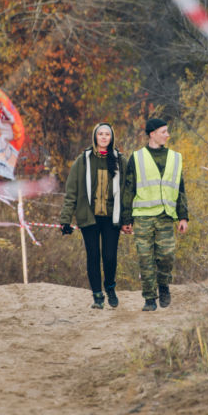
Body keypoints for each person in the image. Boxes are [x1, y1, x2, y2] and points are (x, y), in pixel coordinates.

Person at [121, 118, 188, 311]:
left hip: (166, 216)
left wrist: (183, 217)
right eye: (164, 131)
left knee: (166, 256)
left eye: (167, 131)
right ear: (152, 134)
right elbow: (129, 189)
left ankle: (163, 285)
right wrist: (126, 220)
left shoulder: (175, 158)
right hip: (142, 217)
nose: (167, 135)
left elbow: (180, 190)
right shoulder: (137, 157)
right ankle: (149, 299)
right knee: (145, 258)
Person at [60, 123, 127, 309]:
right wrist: (65, 219)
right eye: (101, 134)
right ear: (95, 137)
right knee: (93, 256)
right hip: (89, 217)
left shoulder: (120, 161)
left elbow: (128, 192)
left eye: (107, 134)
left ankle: (110, 287)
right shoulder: (83, 161)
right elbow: (71, 192)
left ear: (111, 137)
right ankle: (97, 295)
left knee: (110, 256)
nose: (104, 137)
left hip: (111, 218)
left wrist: (127, 219)